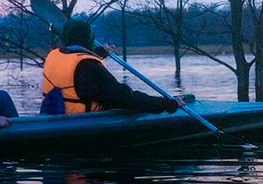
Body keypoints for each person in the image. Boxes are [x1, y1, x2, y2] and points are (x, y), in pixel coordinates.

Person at [41, 18, 183, 115]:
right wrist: (166, 104)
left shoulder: (53, 56)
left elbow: (76, 66)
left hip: (55, 113)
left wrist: (99, 53)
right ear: (89, 39)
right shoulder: (90, 66)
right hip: (82, 120)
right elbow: (125, 96)